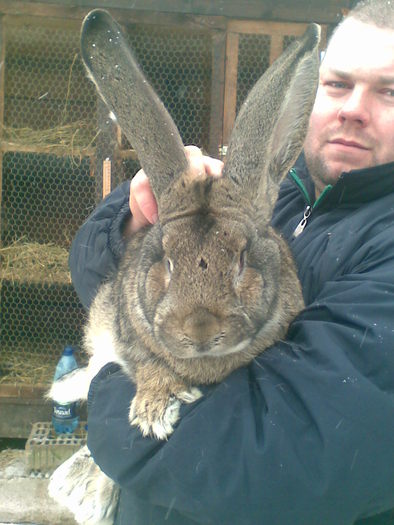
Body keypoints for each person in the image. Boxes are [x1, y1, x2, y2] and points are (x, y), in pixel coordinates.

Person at [69, 1, 394, 523]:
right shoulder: (264, 198)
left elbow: (275, 454)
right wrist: (136, 216)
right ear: (309, 97)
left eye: (389, 90)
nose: (354, 109)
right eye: (336, 84)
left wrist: (106, 385)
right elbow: (91, 273)